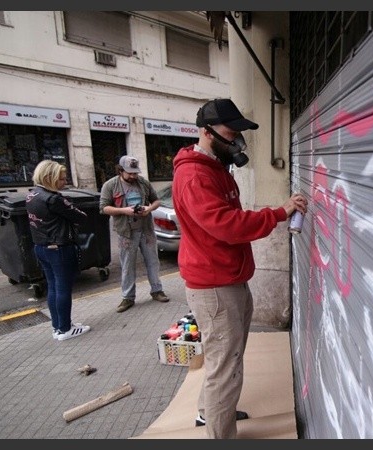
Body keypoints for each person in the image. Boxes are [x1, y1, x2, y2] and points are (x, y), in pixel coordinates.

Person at [172, 98, 308, 439]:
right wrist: (278, 213)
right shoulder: (194, 176)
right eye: (230, 133)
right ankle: (221, 434)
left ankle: (211, 412)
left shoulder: (214, 168)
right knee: (225, 365)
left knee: (223, 359)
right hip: (215, 286)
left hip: (227, 279)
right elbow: (227, 225)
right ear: (206, 132)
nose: (236, 140)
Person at [26, 160, 91, 341]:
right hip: (59, 248)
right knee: (62, 289)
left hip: (41, 247)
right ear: (50, 178)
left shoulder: (32, 195)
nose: (64, 182)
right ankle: (65, 329)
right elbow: (80, 217)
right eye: (61, 179)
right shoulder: (53, 199)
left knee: (53, 287)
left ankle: (58, 327)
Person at [99, 155, 170, 312]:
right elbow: (103, 208)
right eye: (130, 173)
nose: (133, 176)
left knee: (153, 261)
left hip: (146, 229)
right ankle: (128, 297)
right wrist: (124, 211)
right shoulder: (110, 185)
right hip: (126, 231)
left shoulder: (143, 183)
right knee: (127, 266)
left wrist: (149, 209)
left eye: (135, 173)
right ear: (120, 171)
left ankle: (157, 291)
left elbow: (156, 201)